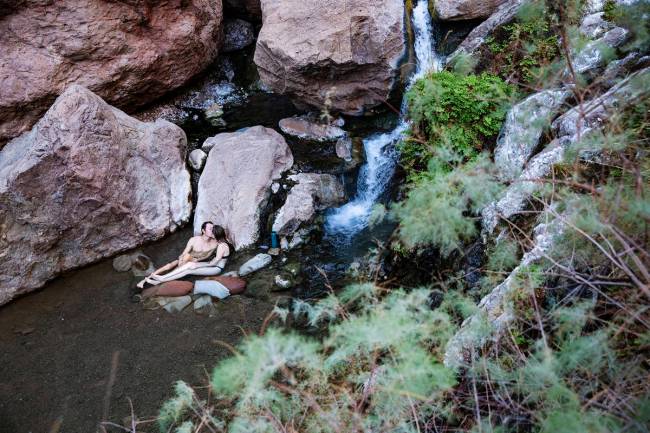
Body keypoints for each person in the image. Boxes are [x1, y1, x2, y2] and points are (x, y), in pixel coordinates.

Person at [136, 222, 231, 288]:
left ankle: (161, 279)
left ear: (216, 235)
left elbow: (214, 263)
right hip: (208, 263)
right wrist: (190, 261)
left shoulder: (221, 246)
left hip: (216, 269)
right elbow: (187, 253)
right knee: (187, 265)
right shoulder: (217, 243)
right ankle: (160, 279)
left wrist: (197, 264)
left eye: (213, 232)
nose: (212, 234)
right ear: (203, 230)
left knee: (188, 270)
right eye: (210, 230)